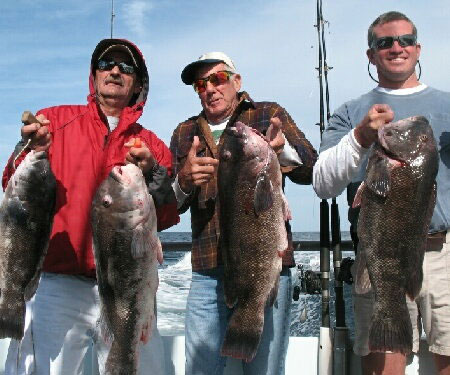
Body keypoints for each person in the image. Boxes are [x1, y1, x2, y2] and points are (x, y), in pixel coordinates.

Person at [1, 38, 179, 375]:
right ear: (93, 75)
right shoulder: (54, 122)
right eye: (106, 64)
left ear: (139, 84)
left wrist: (153, 172)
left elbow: (167, 216)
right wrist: (27, 146)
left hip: (129, 285)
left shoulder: (152, 144)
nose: (115, 71)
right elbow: (14, 183)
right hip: (58, 284)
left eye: (126, 67)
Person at [313, 11, 450, 375]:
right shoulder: (350, 113)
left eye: (405, 40)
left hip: (443, 254)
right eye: (384, 42)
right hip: (378, 255)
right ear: (371, 55)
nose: (396, 47)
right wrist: (360, 137)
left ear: (418, 49)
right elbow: (323, 183)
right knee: (383, 365)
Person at [170, 52, 317, 375]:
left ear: (237, 81)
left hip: (266, 267)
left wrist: (282, 152)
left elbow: (310, 169)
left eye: (218, 79)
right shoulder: (185, 132)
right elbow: (171, 205)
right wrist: (184, 179)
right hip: (208, 271)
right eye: (200, 84)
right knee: (200, 369)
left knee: (264, 370)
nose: (210, 88)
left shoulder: (268, 114)